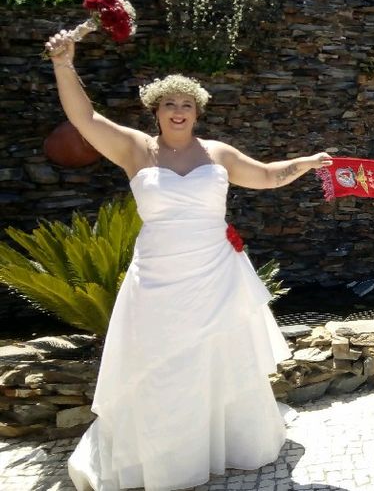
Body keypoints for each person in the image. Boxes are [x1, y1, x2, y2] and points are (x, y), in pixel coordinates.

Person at [44, 30, 333, 491]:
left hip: (214, 275)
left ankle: (223, 445)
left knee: (216, 360)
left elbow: (267, 176)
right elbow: (84, 117)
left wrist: (309, 162)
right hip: (157, 278)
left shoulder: (218, 153)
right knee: (160, 366)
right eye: (169, 105)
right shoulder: (134, 149)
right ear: (155, 111)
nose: (178, 112)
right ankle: (162, 456)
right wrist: (64, 62)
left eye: (187, 105)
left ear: (197, 112)